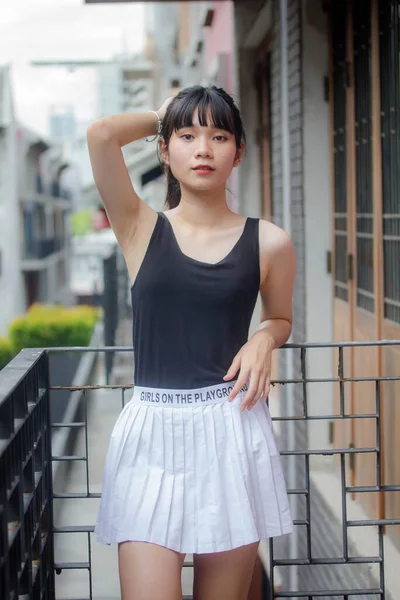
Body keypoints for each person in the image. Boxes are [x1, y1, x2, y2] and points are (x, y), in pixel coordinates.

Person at [86, 85, 296, 600]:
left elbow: (281, 317)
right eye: (187, 135)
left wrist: (264, 339)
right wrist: (165, 112)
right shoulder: (139, 227)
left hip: (230, 428)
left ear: (238, 152)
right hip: (150, 432)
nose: (203, 149)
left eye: (219, 136)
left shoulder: (269, 241)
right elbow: (101, 135)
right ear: (165, 149)